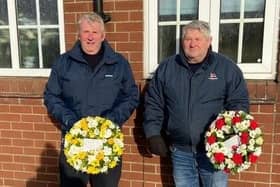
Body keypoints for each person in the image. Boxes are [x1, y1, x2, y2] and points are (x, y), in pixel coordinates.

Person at [143, 20, 249, 187]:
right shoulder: (167, 68)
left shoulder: (227, 69)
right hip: (180, 151)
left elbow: (239, 105)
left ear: (209, 41)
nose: (192, 44)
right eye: (188, 39)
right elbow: (154, 103)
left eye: (198, 39)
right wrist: (153, 133)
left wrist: (229, 136)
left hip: (214, 151)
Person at [44, 13, 139, 187]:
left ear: (103, 35)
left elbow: (131, 96)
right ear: (78, 34)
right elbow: (51, 96)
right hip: (74, 140)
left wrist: (111, 121)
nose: (90, 37)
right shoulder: (63, 63)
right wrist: (70, 120)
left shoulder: (119, 63)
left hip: (107, 142)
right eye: (86, 31)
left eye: (95, 32)